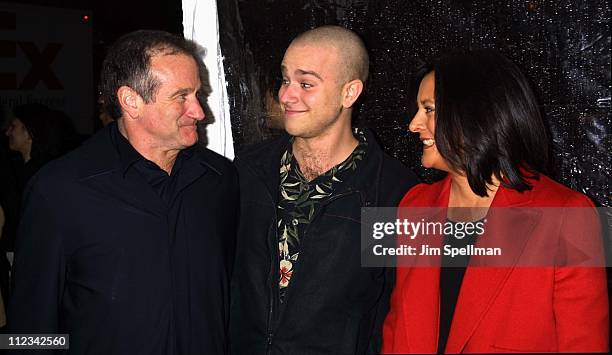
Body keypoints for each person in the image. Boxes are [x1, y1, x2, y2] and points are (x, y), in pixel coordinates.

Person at [8, 30, 239, 354]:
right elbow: (28, 333)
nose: (199, 112)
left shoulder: (220, 179)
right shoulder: (59, 190)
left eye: (198, 94)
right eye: (181, 97)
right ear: (131, 101)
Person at [382, 49, 609, 353]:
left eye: (429, 109)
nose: (413, 124)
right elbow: (396, 330)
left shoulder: (566, 215)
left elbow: (583, 344)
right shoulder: (413, 207)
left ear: (477, 114)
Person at [230, 25, 419, 354]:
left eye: (305, 83)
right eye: (285, 79)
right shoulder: (247, 171)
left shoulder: (391, 194)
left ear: (349, 93)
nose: (286, 95)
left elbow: (397, 314)